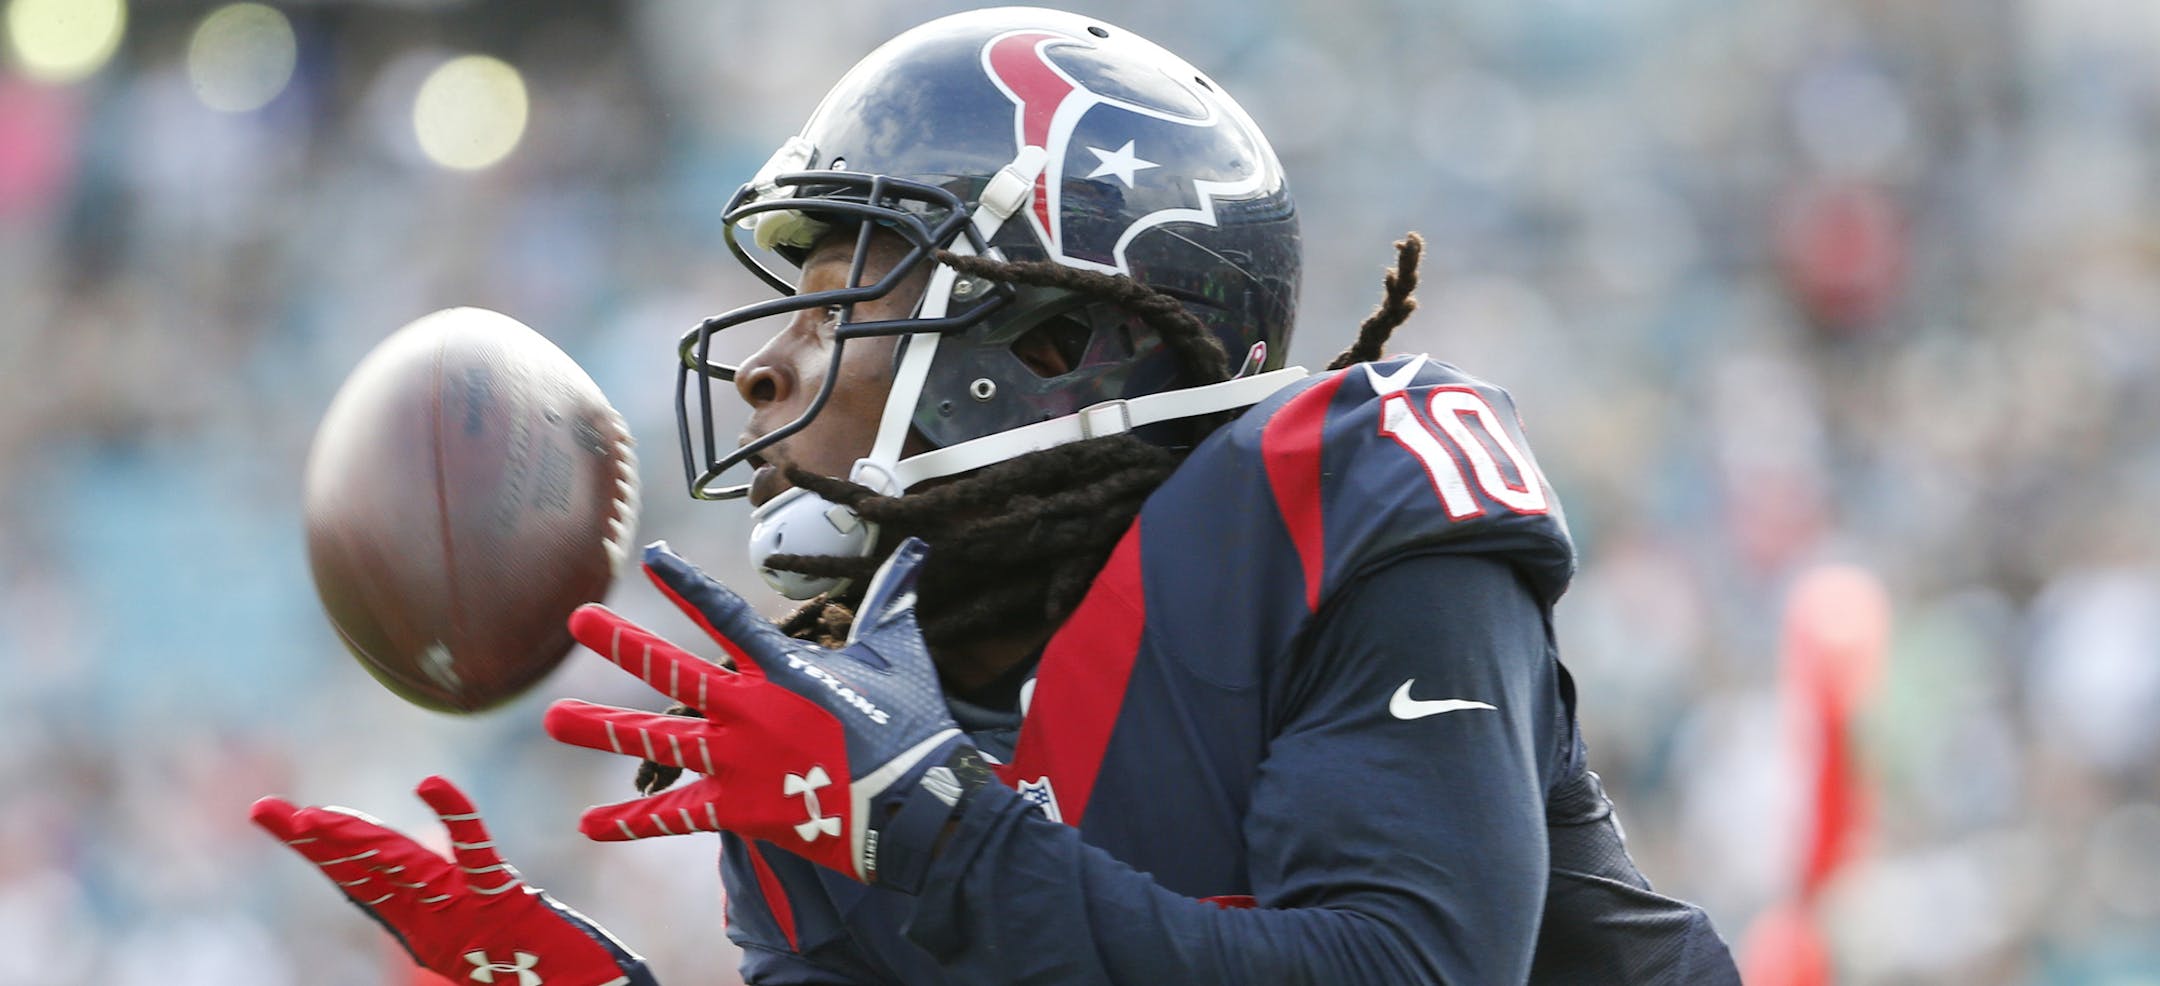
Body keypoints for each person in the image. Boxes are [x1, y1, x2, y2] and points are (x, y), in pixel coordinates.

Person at [253, 7, 1745, 984]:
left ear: (1046, 341)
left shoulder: (1347, 495)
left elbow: (1414, 968)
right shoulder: (850, 708)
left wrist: (944, 834)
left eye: (844, 296)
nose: (766, 366)